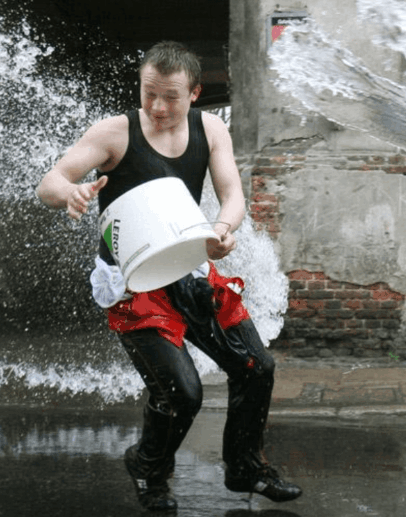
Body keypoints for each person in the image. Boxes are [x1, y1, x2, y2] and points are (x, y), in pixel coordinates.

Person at [36, 41, 302, 511]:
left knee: (256, 368)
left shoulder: (212, 129)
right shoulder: (115, 133)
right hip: (133, 283)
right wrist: (70, 194)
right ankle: (148, 468)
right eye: (149, 93)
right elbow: (50, 181)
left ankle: (246, 468)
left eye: (171, 96)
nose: (158, 107)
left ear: (195, 93)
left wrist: (223, 230)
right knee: (182, 393)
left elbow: (232, 195)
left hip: (189, 267)